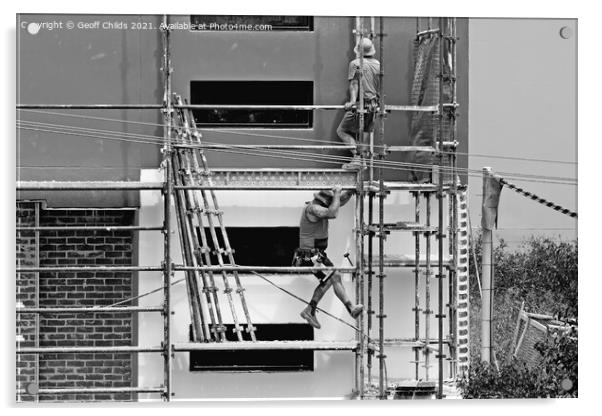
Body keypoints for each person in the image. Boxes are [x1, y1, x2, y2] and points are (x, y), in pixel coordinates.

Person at [293, 186, 364, 329]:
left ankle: (350, 309)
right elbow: (333, 212)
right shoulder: (312, 209)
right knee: (330, 278)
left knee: (335, 276)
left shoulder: (322, 206)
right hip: (309, 256)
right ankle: (310, 311)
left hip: (318, 254)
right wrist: (337, 193)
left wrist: (349, 191)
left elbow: (339, 203)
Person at [337, 37, 381, 170]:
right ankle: (361, 159)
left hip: (362, 105)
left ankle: (358, 158)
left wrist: (351, 101)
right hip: (374, 105)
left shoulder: (355, 63)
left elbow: (354, 84)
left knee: (342, 131)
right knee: (366, 131)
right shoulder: (378, 64)